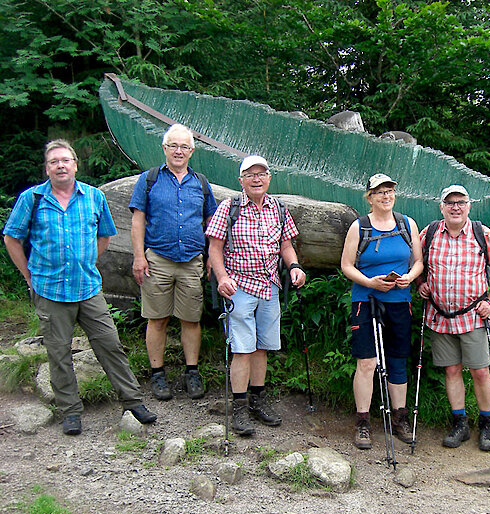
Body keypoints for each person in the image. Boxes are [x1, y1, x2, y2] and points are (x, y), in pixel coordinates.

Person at [3, 139, 157, 435]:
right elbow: (12, 238)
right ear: (47, 168)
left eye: (65, 160)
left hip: (88, 287)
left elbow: (104, 237)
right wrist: (27, 274)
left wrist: (84, 262)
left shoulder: (93, 196)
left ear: (75, 165)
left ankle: (133, 402)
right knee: (58, 353)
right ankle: (70, 411)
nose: (60, 165)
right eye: (53, 162)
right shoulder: (32, 199)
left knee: (110, 345)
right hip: (49, 290)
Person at [205, 155, 306, 436]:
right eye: (250, 174)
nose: (257, 179)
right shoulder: (229, 208)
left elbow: (286, 245)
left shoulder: (279, 208)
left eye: (262, 174)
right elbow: (214, 248)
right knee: (242, 348)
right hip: (238, 287)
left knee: (262, 346)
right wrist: (222, 277)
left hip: (270, 286)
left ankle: (257, 402)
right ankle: (239, 407)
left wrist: (294, 267)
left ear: (269, 178)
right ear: (241, 181)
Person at [129, 124, 218, 402]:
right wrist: (139, 256)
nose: (179, 151)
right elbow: (137, 220)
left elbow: (211, 223)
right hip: (157, 259)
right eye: (173, 146)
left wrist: (213, 259)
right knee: (157, 319)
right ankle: (158, 375)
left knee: (191, 320)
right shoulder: (149, 179)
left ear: (192, 151)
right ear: (165, 148)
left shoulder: (201, 183)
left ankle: (192, 372)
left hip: (192, 260)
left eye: (184, 147)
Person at [418, 185, 490, 451]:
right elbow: (416, 264)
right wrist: (420, 282)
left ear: (469, 206)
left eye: (461, 202)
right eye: (450, 202)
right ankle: (460, 424)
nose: (455, 207)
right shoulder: (429, 233)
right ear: (441, 206)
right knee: (452, 369)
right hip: (439, 315)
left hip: (472, 317)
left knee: (480, 370)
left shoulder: (483, 234)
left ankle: (487, 424)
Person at [340, 174, 424, 449]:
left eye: (389, 191)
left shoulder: (406, 223)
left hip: (400, 300)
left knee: (398, 359)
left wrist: (409, 277)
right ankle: (362, 422)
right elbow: (347, 265)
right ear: (370, 197)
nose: (385, 196)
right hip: (366, 300)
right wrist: (370, 282)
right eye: (379, 192)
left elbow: (418, 262)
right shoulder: (359, 227)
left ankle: (400, 418)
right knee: (367, 362)